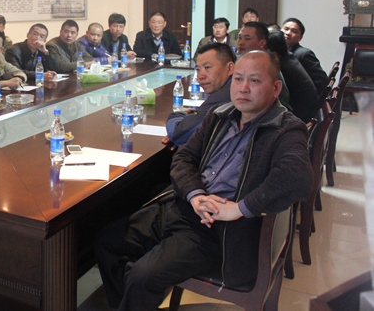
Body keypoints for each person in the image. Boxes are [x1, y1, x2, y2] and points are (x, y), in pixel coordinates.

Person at [95, 50, 311, 310]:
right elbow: (184, 157)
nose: (243, 88)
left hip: (217, 230)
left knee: (142, 276)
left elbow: (298, 177)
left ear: (276, 88)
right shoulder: (220, 115)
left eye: (254, 81)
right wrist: (195, 194)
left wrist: (239, 208)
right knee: (108, 241)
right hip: (184, 205)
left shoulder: (286, 128)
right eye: (238, 79)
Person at [164, 43, 235, 146]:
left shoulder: (225, 95)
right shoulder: (230, 88)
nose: (200, 76)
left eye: (207, 67)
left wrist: (178, 115)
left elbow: (177, 134)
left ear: (230, 68)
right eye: (198, 70)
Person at [267, 31, 319, 123]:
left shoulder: (282, 67)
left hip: (299, 117)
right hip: (308, 111)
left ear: (274, 54)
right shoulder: (288, 57)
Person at [281, 17, 329, 95]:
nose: (288, 33)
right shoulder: (281, 52)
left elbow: (322, 81)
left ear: (300, 38)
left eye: (294, 31)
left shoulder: (304, 54)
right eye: (286, 29)